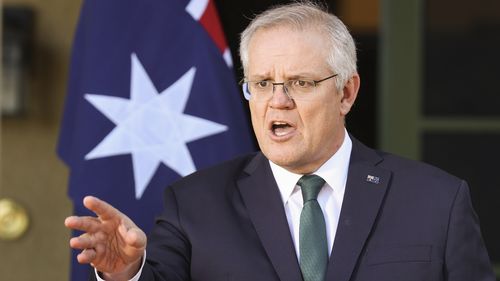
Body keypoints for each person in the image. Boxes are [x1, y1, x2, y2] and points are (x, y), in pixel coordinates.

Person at [64, 2, 495, 281]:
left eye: (300, 83)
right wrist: (128, 274)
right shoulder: (194, 203)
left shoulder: (437, 201)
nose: (278, 102)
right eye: (263, 83)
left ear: (346, 92)